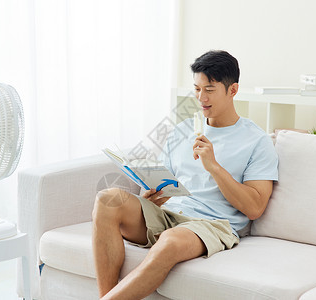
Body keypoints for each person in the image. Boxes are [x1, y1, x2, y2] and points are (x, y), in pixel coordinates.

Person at [92, 50, 278, 300]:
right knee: (107, 199)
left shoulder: (257, 140)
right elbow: (167, 183)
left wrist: (213, 166)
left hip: (212, 224)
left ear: (232, 90)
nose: (201, 98)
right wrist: (150, 196)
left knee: (170, 240)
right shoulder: (181, 130)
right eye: (197, 88)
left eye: (209, 89)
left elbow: (255, 208)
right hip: (169, 213)